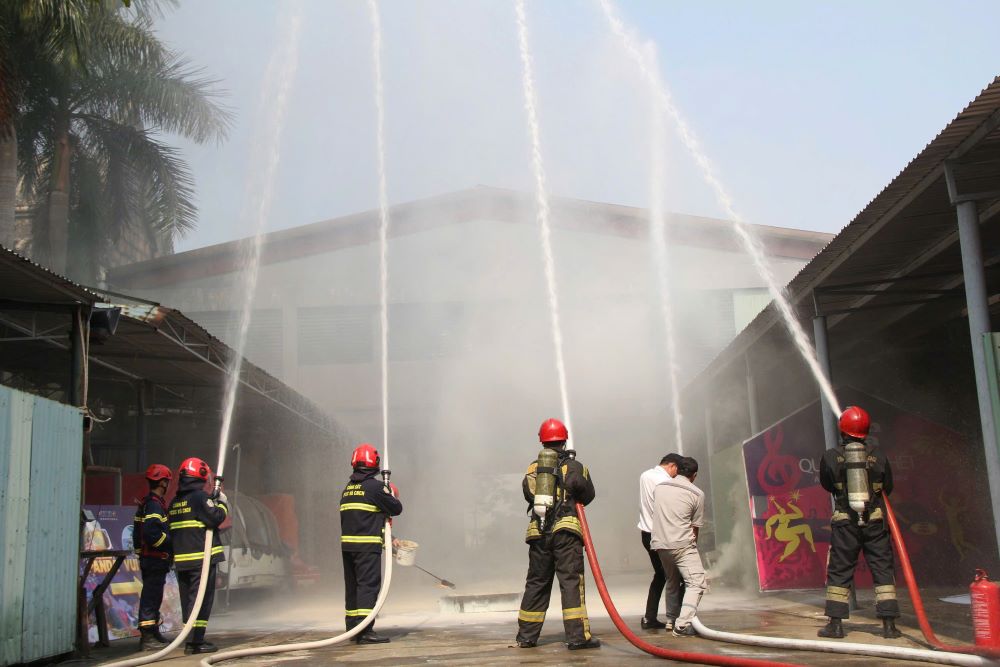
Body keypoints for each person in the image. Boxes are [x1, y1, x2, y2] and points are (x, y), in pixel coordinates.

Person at [515, 418, 600, 651]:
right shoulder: (576, 467)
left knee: (536, 583)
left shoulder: (534, 468)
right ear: (564, 439)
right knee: (570, 582)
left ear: (541, 440)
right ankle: (577, 637)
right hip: (567, 533)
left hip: (538, 533)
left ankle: (526, 637)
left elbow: (527, 494)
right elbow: (588, 495)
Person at [818, 406, 900, 639]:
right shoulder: (879, 456)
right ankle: (889, 626)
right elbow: (888, 487)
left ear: (842, 429)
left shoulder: (831, 456)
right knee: (883, 570)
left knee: (839, 571)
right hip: (875, 522)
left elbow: (827, 484)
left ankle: (835, 625)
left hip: (845, 522)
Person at [340, 443, 402, 644]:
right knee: (368, 587)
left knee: (353, 588)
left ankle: (352, 629)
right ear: (374, 463)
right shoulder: (374, 487)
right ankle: (365, 631)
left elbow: (366, 517)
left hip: (348, 548)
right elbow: (396, 508)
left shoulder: (348, 489)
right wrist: (389, 491)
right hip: (367, 548)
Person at [169, 457, 228, 655]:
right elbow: (216, 518)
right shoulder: (199, 498)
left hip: (183, 563)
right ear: (201, 475)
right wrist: (222, 504)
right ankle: (196, 642)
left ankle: (190, 638)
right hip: (201, 561)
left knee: (188, 601)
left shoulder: (175, 502)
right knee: (202, 601)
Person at [651, 456, 707, 638]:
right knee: (697, 583)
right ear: (694, 475)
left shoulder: (659, 488)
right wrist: (692, 549)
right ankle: (682, 625)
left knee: (672, 580)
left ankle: (671, 620)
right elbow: (694, 527)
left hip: (660, 544)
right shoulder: (697, 494)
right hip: (682, 544)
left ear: (678, 470)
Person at [637, 452, 684, 630]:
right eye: (677, 471)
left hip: (646, 533)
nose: (676, 475)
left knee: (661, 574)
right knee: (675, 576)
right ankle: (678, 618)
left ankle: (650, 618)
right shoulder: (666, 482)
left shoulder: (645, 475)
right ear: (672, 466)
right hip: (661, 534)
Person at [134, 463, 173, 651]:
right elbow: (151, 534)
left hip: (152, 559)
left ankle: (153, 630)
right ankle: (147, 637)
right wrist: (168, 544)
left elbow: (138, 533)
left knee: (154, 595)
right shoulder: (154, 505)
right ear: (163, 482)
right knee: (150, 597)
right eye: (167, 481)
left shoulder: (150, 502)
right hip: (154, 559)